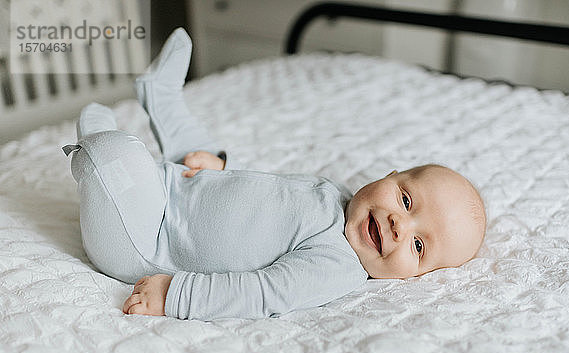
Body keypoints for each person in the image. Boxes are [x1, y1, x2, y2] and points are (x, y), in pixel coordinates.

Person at [62, 28, 486, 321]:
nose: (398, 224)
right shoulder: (337, 197)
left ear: (418, 276)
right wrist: (223, 172)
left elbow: (262, 292)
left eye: (417, 245)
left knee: (118, 156)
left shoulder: (336, 266)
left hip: (148, 239)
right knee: (203, 151)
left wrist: (176, 294)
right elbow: (263, 193)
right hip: (184, 190)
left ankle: (97, 146)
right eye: (407, 201)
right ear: (390, 175)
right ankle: (162, 98)